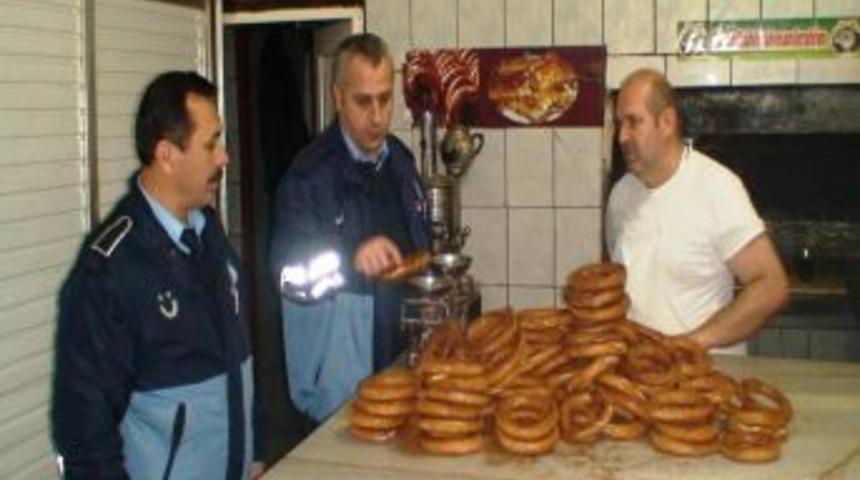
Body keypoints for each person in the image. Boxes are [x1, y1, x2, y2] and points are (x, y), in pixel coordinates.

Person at [52, 71, 264, 479]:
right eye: (211, 143)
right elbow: (84, 433)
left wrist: (253, 452)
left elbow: (241, 357)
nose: (224, 157)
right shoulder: (110, 272)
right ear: (167, 155)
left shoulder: (209, 235)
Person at [270, 33, 430, 422]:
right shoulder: (308, 177)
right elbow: (289, 277)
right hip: (338, 393)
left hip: (401, 374)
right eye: (363, 101)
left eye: (385, 99)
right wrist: (348, 257)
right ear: (337, 97)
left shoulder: (403, 165)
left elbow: (419, 251)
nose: (377, 116)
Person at [606, 68, 789, 354]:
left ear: (666, 121)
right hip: (640, 378)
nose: (621, 137)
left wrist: (689, 345)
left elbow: (771, 285)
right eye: (619, 124)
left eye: (633, 122)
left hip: (703, 379)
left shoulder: (716, 187)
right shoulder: (621, 195)